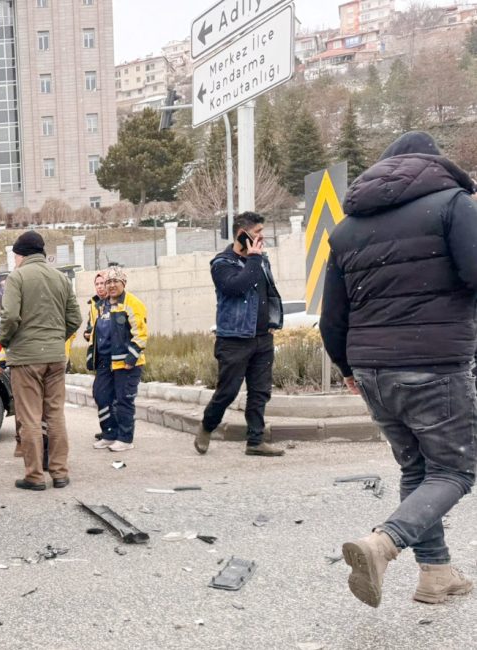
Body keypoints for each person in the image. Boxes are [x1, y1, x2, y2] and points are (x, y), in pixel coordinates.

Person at [320, 131, 477, 608]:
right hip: (431, 363)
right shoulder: (453, 205)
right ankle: (383, 543)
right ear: (434, 165)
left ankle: (436, 574)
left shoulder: (346, 229)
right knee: (455, 468)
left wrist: (348, 367)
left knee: (417, 467)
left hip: (371, 370)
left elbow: (333, 316)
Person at [193, 211, 285, 457]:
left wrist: (273, 319)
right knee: (228, 391)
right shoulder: (222, 263)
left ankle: (255, 440)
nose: (261, 238)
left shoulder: (262, 260)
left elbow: (268, 291)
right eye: (257, 233)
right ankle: (207, 426)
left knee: (260, 391)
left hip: (263, 337)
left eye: (262, 232)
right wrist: (254, 258)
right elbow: (236, 287)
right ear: (241, 234)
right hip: (234, 338)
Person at [0, 231, 81, 491]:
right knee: (55, 415)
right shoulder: (60, 278)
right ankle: (60, 473)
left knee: (30, 418)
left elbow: (10, 316)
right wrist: (57, 338)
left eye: (14, 257)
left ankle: (34, 476)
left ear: (20, 255)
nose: (14, 261)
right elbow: (75, 319)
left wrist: (6, 341)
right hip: (56, 358)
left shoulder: (18, 277)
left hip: (26, 359)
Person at [90, 266, 148, 452]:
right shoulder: (102, 305)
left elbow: (141, 334)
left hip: (126, 363)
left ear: (123, 283)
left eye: (116, 281)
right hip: (105, 362)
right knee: (101, 395)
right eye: (109, 282)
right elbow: (97, 333)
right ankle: (109, 434)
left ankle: (125, 438)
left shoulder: (132, 303)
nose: (112, 285)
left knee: (124, 400)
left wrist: (131, 358)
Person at [84, 269, 111, 440]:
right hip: (99, 356)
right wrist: (88, 333)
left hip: (113, 356)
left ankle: (114, 431)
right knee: (100, 393)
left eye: (103, 283)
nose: (100, 287)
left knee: (109, 395)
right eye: (97, 284)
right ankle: (107, 429)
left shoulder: (115, 303)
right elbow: (89, 327)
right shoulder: (94, 306)